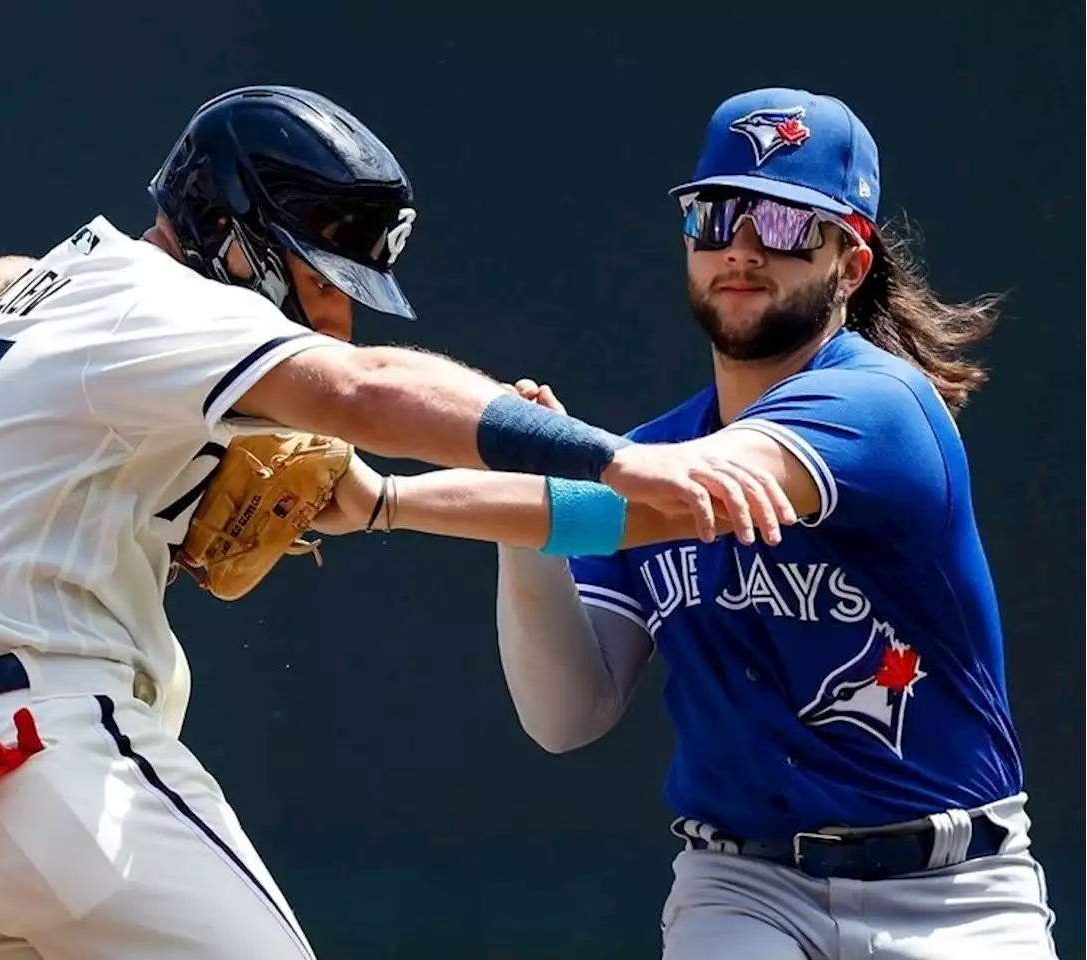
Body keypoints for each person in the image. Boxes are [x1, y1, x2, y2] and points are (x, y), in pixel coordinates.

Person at [0, 84, 792, 960]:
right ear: (228, 237)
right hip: (51, 772)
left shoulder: (67, 288)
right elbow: (368, 387)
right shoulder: (165, 302)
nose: (338, 318)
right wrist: (616, 456)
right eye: (322, 280)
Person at [312, 87, 1060, 958]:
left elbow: (672, 501)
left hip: (951, 895)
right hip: (743, 891)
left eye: (784, 225)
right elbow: (567, 714)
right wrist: (524, 511)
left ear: (850, 265)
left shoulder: (878, 408)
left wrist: (385, 503)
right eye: (717, 217)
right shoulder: (647, 453)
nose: (741, 250)